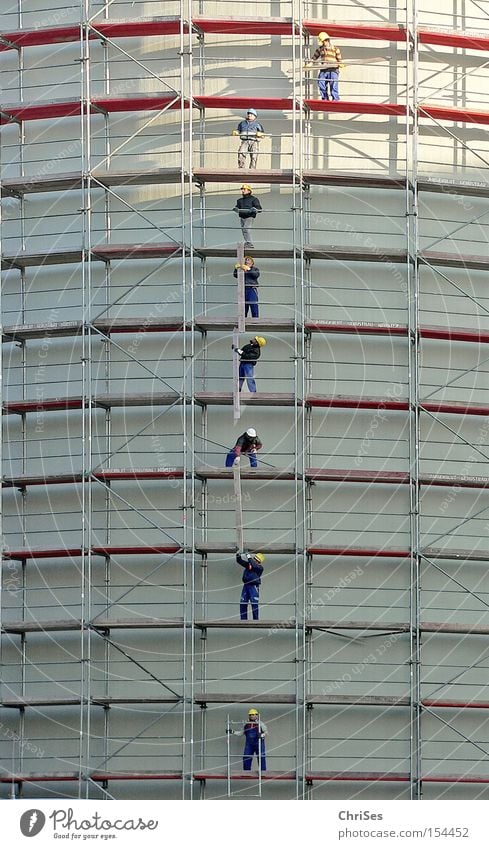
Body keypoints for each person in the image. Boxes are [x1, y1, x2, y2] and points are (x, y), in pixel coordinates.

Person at [307, 31, 343, 101]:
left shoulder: (335, 49)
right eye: (322, 42)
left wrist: (340, 63)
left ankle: (335, 99)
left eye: (323, 42)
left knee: (333, 85)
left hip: (333, 69)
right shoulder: (320, 49)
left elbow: (339, 59)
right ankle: (325, 98)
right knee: (321, 83)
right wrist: (310, 63)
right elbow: (314, 57)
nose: (323, 44)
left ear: (327, 40)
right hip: (324, 69)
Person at [236, 551, 265, 621]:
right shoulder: (249, 565)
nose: (254, 561)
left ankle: (255, 620)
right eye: (254, 559)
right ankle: (243, 620)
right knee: (243, 603)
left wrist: (248, 556)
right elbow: (239, 561)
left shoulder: (259, 568)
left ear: (259, 562)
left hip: (253, 586)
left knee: (254, 603)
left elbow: (254, 566)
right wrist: (238, 555)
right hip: (246, 586)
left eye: (256, 560)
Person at [233, 184, 262, 249]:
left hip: (249, 216)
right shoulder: (240, 200)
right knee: (244, 230)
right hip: (242, 216)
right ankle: (247, 242)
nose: (242, 191)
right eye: (242, 189)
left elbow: (259, 208)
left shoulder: (254, 199)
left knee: (246, 229)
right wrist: (236, 209)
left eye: (244, 189)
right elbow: (237, 207)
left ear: (249, 191)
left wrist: (255, 209)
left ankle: (249, 243)